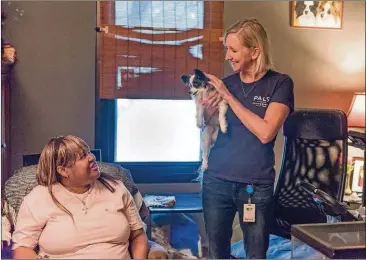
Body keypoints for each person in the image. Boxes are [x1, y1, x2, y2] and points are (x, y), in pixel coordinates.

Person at [200, 18, 294, 259]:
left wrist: (229, 98)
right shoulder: (227, 84)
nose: (227, 56)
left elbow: (265, 133)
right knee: (216, 253)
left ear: (254, 51)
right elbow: (206, 129)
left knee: (255, 254)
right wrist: (206, 114)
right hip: (216, 181)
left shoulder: (279, 84)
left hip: (255, 185)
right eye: (226, 50)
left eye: (233, 50)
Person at [12, 135, 148, 259]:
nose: (92, 157)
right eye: (82, 156)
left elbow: (138, 235)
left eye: (88, 152)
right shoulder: (38, 198)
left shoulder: (116, 187)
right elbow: (22, 248)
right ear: (63, 170)